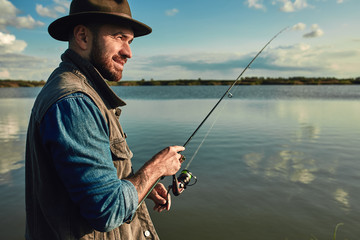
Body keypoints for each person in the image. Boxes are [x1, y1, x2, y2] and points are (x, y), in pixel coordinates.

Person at [25, 0, 185, 239]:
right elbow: (106, 211)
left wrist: (142, 189)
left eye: (130, 42)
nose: (129, 52)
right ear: (83, 36)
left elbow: (89, 186)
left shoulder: (83, 92)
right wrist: (156, 169)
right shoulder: (74, 102)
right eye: (119, 37)